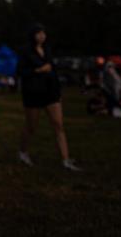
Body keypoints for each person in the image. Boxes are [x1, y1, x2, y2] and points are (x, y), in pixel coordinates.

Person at [17, 24, 81, 171]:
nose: (42, 36)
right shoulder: (25, 51)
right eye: (38, 33)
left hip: (50, 91)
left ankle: (66, 159)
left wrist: (58, 90)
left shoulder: (47, 50)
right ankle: (23, 152)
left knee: (58, 124)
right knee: (31, 126)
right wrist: (38, 70)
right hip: (33, 92)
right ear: (32, 35)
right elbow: (20, 72)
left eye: (43, 33)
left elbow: (52, 69)